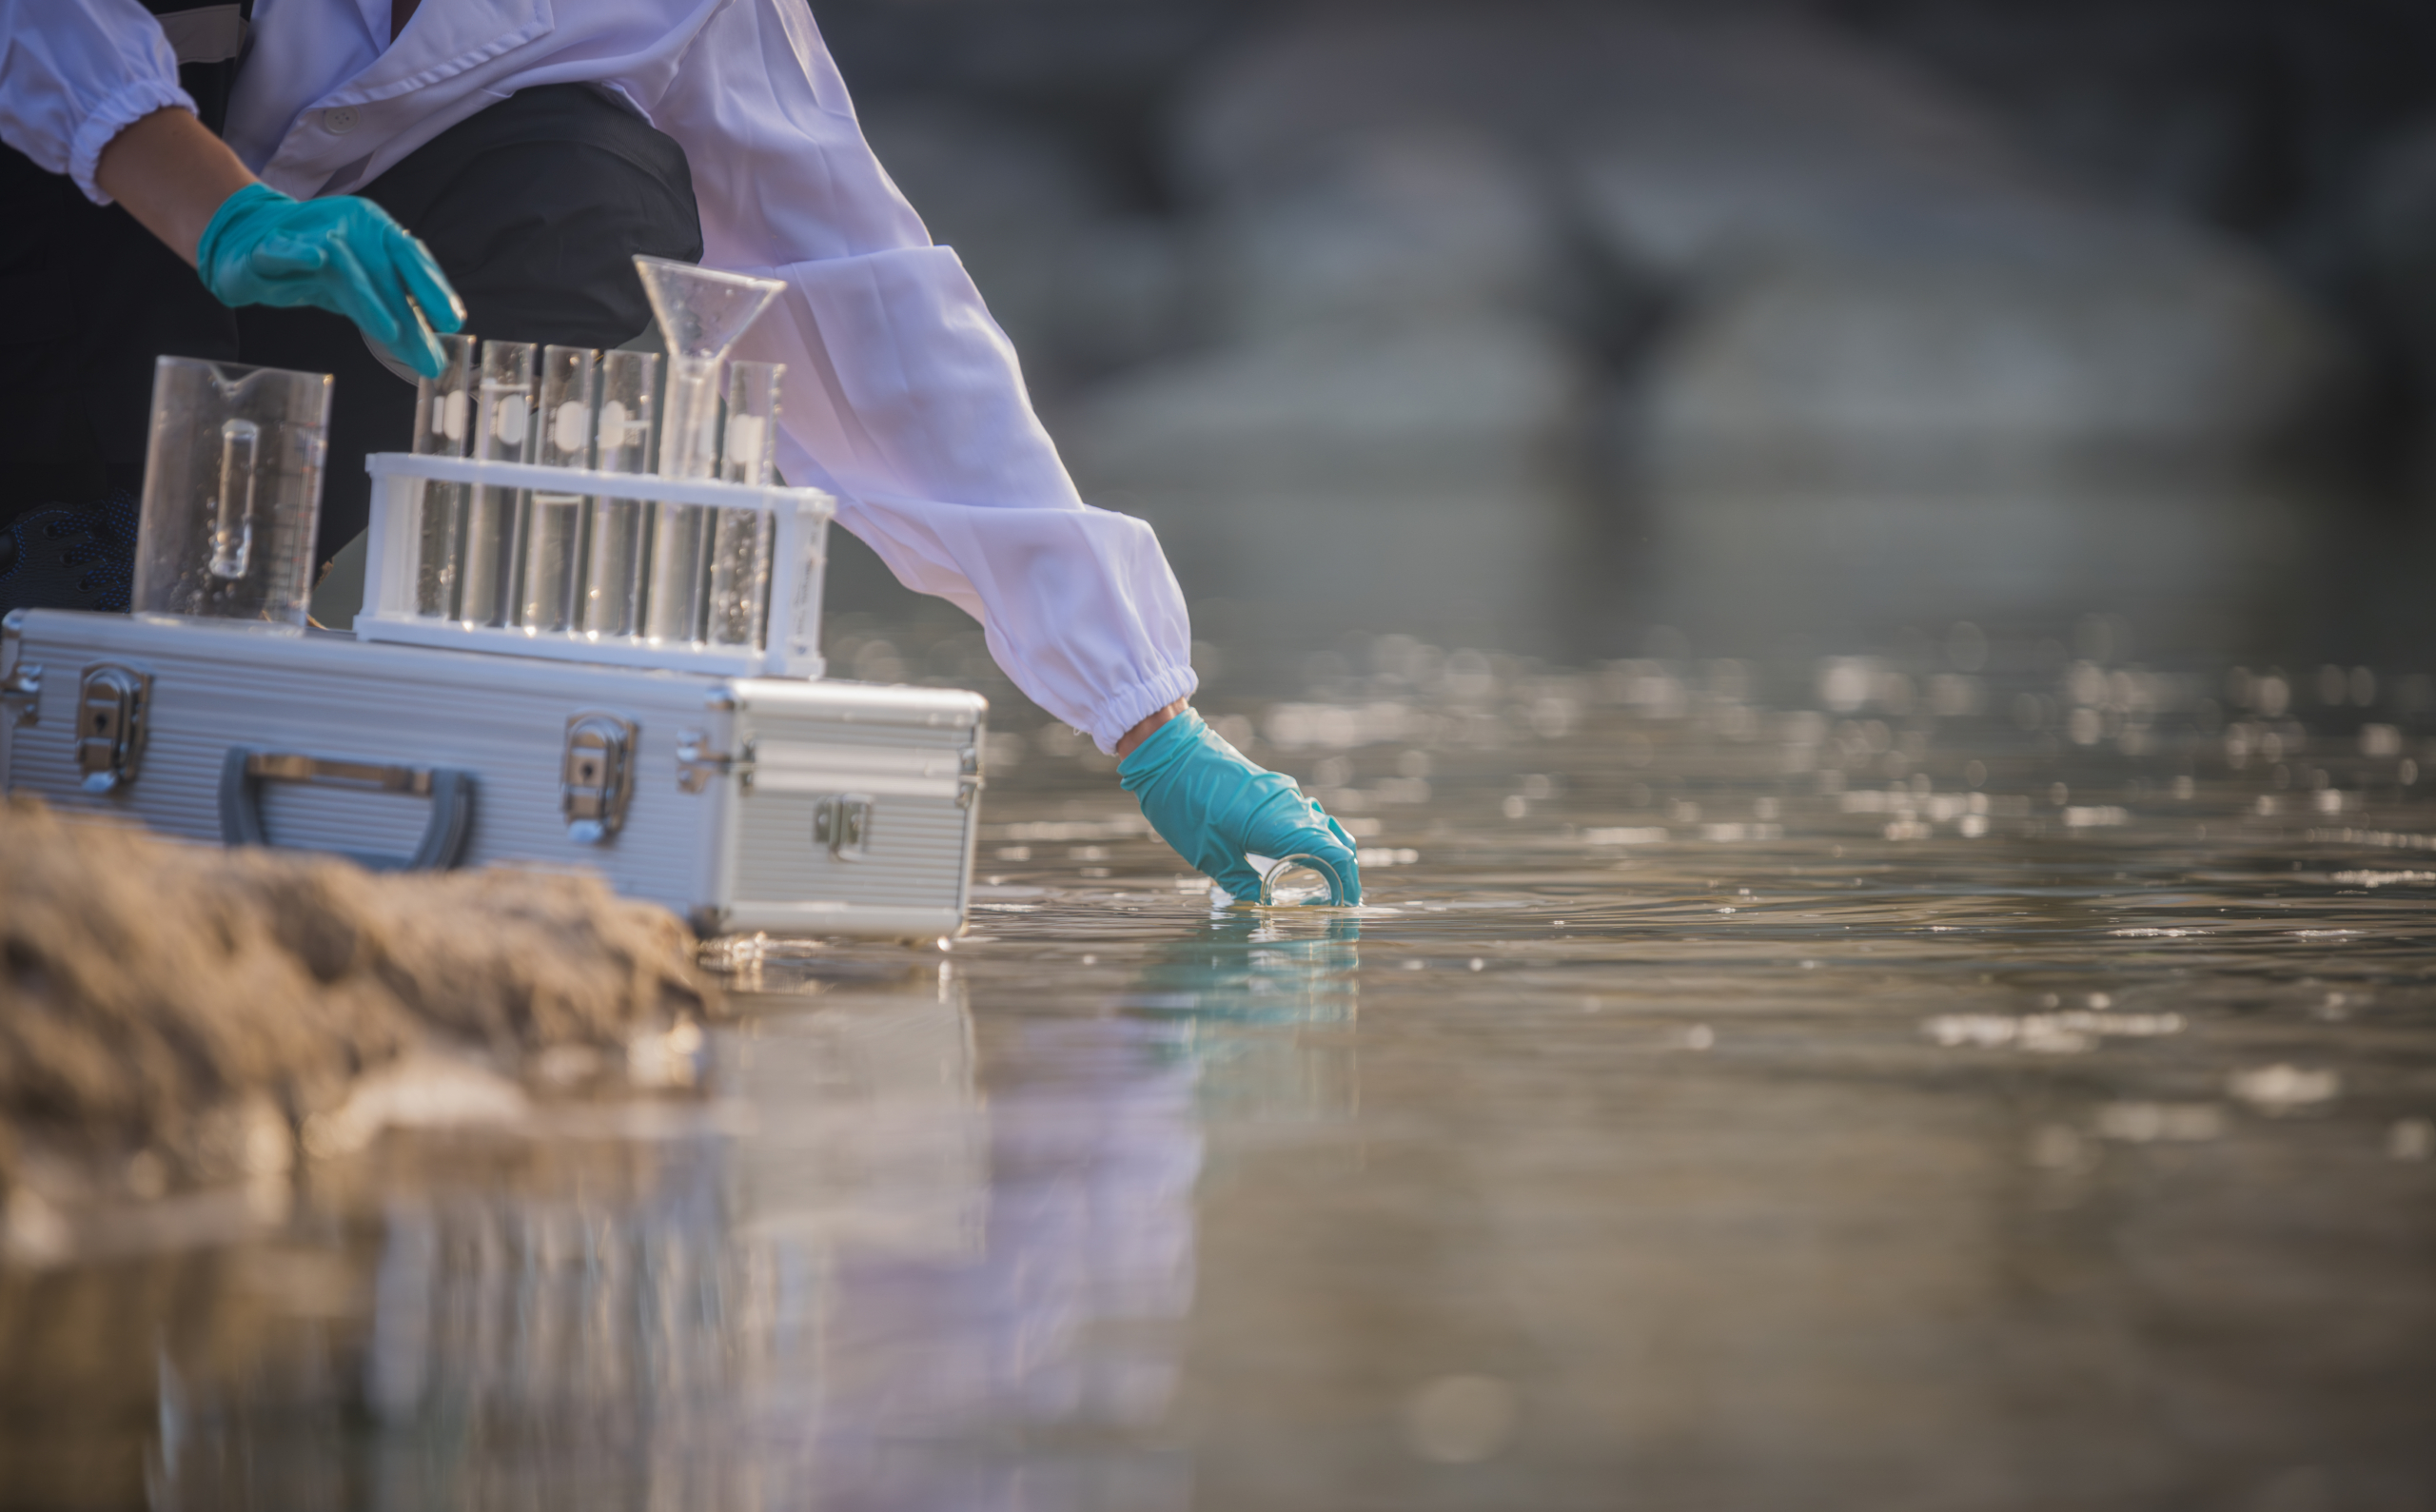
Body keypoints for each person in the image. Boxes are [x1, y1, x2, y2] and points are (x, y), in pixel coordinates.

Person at [0, 0, 1360, 906]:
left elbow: (860, 288)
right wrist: (208, 198)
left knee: (591, 180)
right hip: (58, 247)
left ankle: (225, 601)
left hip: (261, 370)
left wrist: (1142, 711)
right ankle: (63, 528)